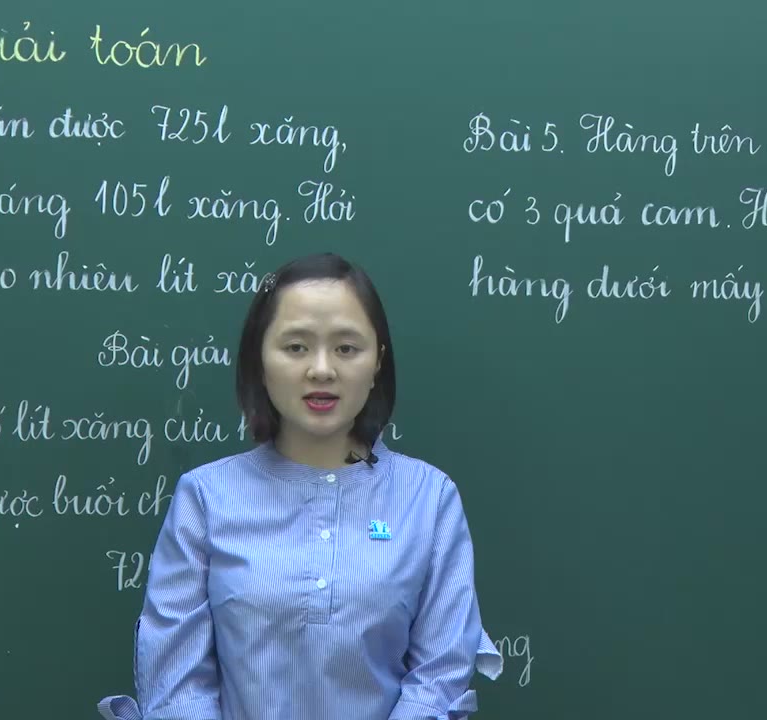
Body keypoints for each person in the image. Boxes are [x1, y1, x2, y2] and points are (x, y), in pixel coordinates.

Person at [98, 252, 502, 720]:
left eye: (346, 348)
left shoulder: (429, 499)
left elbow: (439, 676)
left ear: (378, 360)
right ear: (259, 359)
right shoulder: (205, 498)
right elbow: (175, 682)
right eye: (296, 347)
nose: (322, 369)